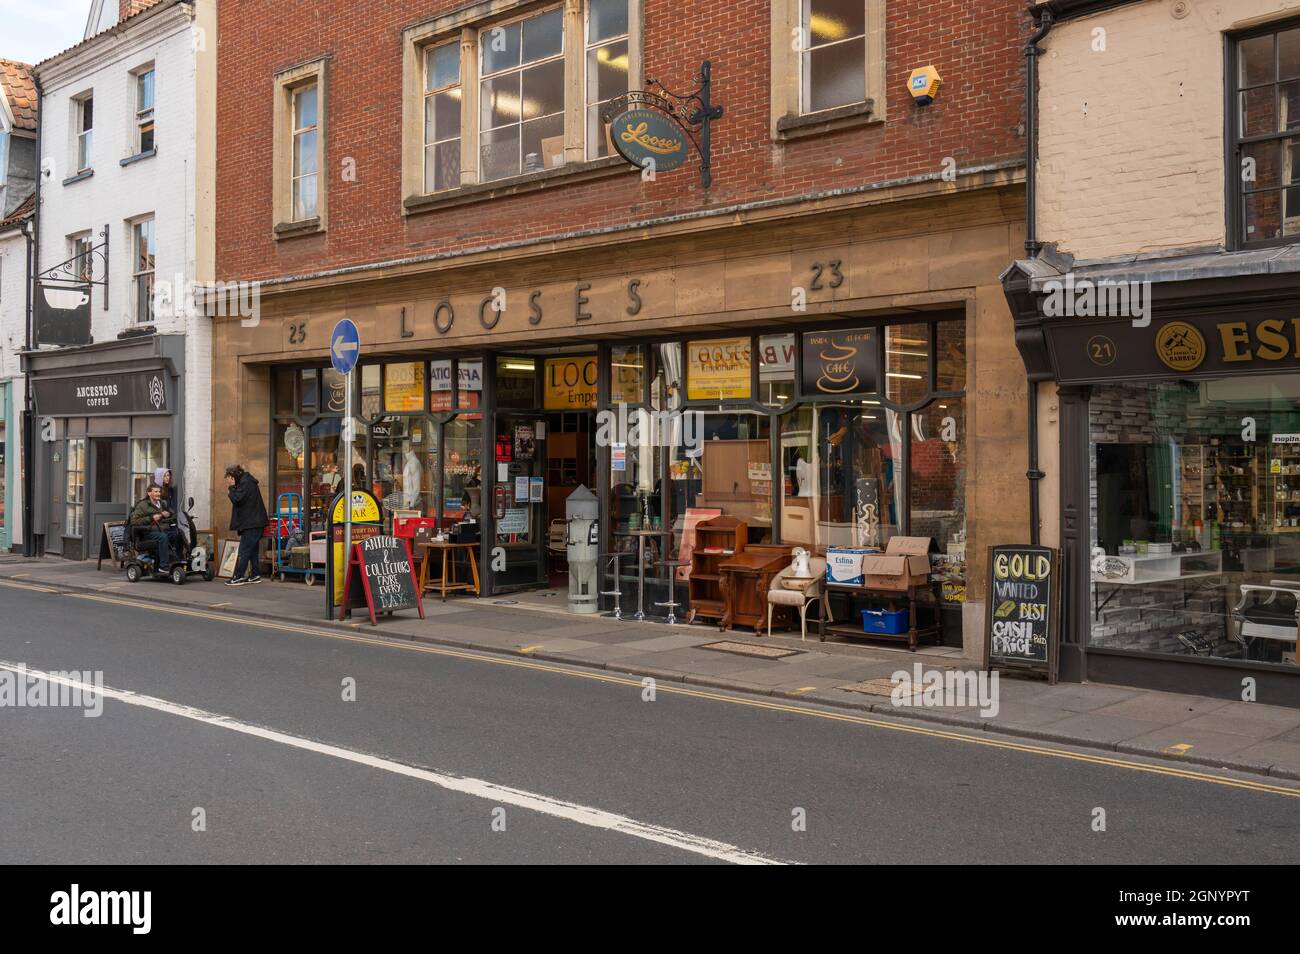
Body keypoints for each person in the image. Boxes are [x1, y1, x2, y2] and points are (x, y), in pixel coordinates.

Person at [225, 463, 269, 586]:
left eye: (228, 478)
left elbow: (237, 499)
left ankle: (239, 576)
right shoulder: (247, 481)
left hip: (252, 523)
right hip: (254, 522)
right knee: (252, 550)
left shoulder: (245, 483)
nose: (227, 481)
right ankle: (255, 575)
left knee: (244, 550)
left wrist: (231, 487)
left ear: (233, 476)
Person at [129, 482, 182, 573]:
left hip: (163, 530)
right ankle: (163, 566)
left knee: (178, 533)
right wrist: (151, 518)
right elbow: (134, 521)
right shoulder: (142, 505)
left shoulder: (162, 503)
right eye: (155, 491)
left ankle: (178, 562)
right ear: (149, 493)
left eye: (159, 491)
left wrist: (168, 514)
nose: (158, 493)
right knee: (163, 537)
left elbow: (172, 514)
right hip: (147, 533)